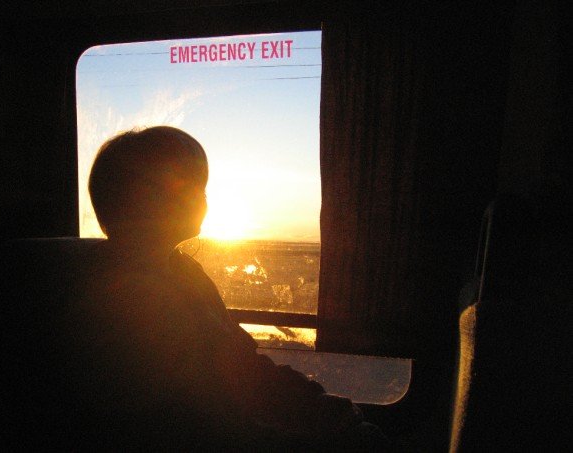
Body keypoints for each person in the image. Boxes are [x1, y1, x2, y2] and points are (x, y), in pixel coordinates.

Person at [69, 126, 388, 450]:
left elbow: (238, 360)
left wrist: (311, 401)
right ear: (138, 198)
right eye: (186, 185)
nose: (202, 198)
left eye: (202, 187)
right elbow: (199, 406)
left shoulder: (183, 271)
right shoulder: (122, 293)